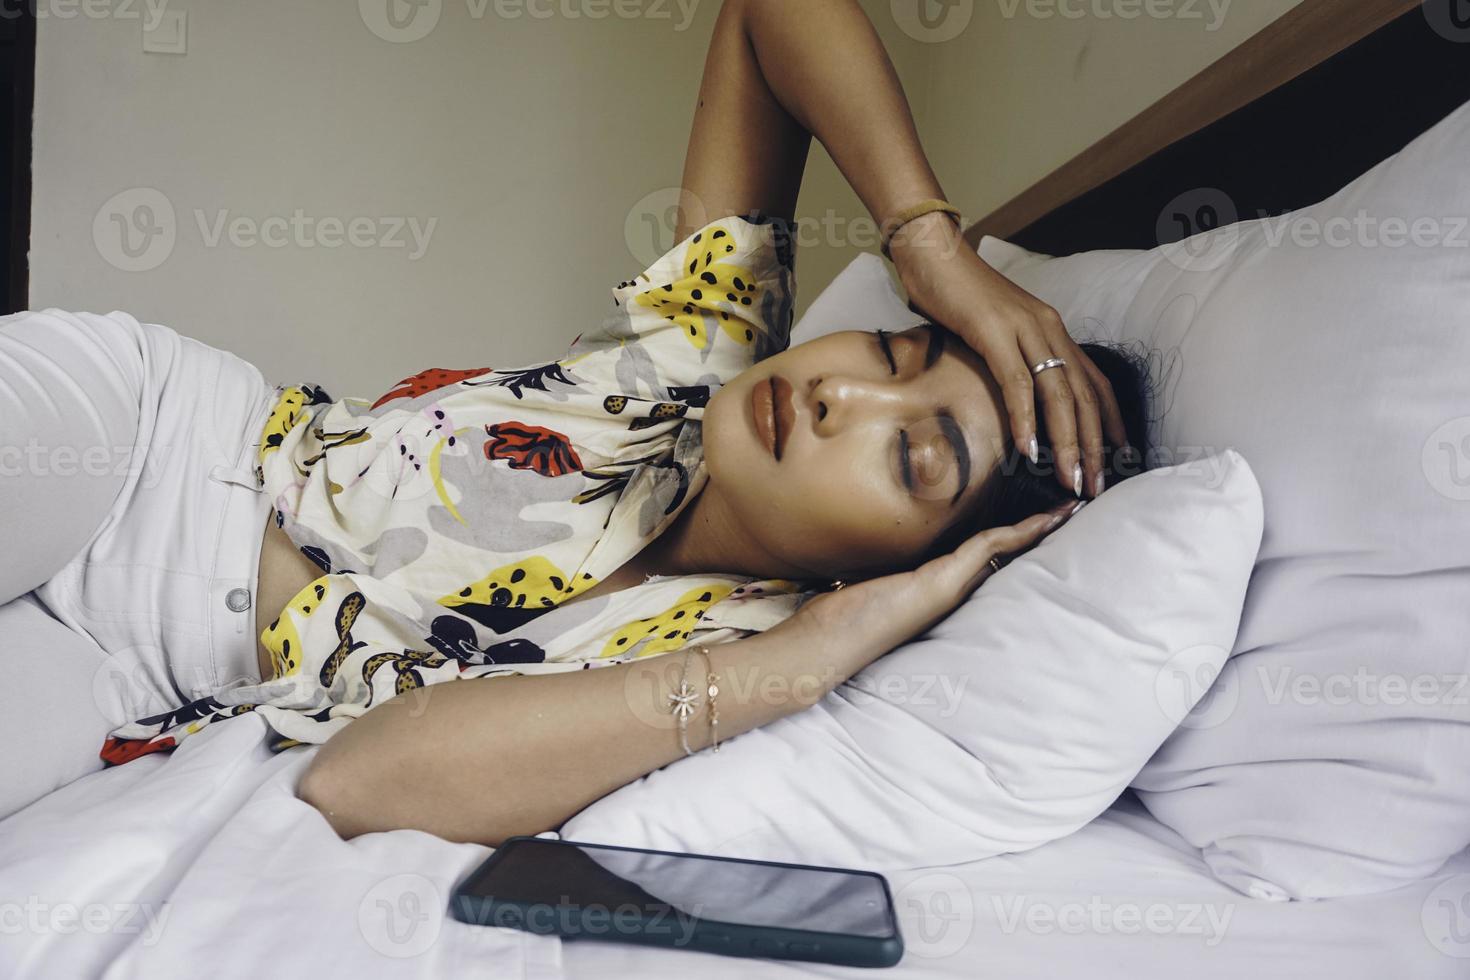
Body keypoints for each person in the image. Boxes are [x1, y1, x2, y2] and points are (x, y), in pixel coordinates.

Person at [0, 0, 1148, 834]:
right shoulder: (694, 359)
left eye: (912, 455)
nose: (845, 391)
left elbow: (360, 783)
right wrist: (930, 245)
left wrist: (802, 665)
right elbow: (768, 16)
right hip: (144, 454)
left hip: (147, 685)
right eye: (896, 349)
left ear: (907, 568)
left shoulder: (735, 656)